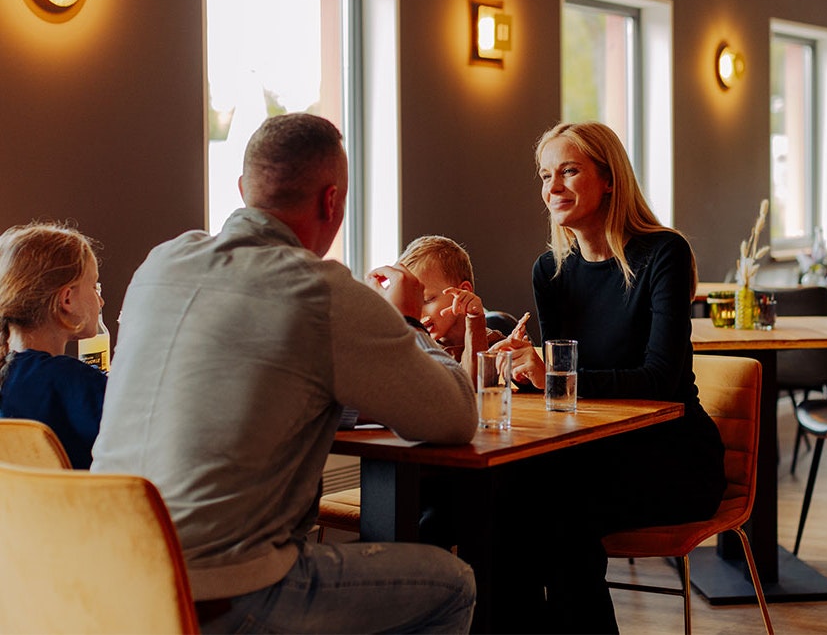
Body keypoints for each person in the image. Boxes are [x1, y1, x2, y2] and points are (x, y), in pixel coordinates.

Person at [91, 113, 478, 634]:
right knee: (453, 586)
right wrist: (407, 320)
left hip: (103, 577)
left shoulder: (160, 264)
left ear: (242, 190)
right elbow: (454, 417)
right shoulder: (322, 291)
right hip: (221, 594)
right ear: (332, 201)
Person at [494, 121, 726, 633]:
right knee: (503, 505)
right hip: (592, 452)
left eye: (569, 171)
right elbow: (564, 398)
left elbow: (661, 378)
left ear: (609, 180)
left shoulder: (663, 253)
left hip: (673, 454)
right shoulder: (550, 271)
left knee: (557, 517)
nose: (552, 187)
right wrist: (522, 371)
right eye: (545, 174)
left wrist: (555, 371)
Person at [0, 222, 106, 469]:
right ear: (67, 299)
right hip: (85, 506)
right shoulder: (73, 382)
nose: (100, 300)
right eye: (93, 286)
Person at [398, 235, 512, 378]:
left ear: (463, 291)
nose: (419, 312)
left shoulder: (494, 343)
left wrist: (475, 319)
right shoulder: (420, 349)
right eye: (413, 303)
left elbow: (473, 381)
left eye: (428, 300)